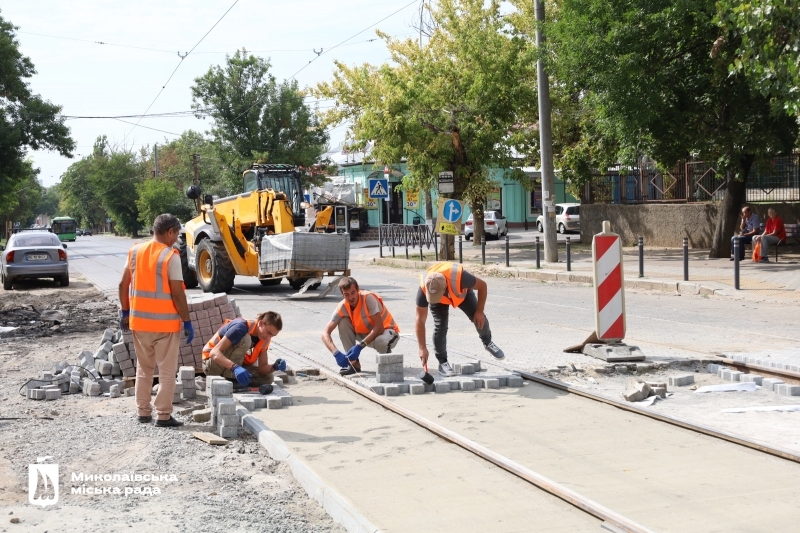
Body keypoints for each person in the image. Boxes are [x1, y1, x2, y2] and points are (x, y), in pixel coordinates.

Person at [118, 214, 192, 428]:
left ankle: (142, 412)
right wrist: (186, 321)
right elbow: (178, 294)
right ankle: (163, 415)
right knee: (167, 372)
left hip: (139, 323)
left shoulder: (135, 251)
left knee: (144, 368)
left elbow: (123, 285)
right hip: (165, 325)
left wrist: (125, 312)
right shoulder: (171, 256)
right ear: (169, 232)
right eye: (177, 233)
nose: (177, 238)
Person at [415, 261, 504, 377]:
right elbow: (419, 320)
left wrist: (480, 311)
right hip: (439, 295)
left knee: (479, 318)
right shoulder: (425, 288)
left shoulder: (461, 278)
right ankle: (443, 363)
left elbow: (483, 286)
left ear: (444, 288)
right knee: (440, 326)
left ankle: (488, 342)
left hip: (462, 294)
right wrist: (422, 348)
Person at [322, 276, 400, 375]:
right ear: (342, 294)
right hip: (367, 335)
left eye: (353, 293)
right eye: (346, 294)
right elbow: (325, 334)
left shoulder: (368, 298)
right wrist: (335, 353)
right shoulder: (342, 307)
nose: (351, 298)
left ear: (358, 289)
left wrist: (360, 346)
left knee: (382, 341)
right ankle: (354, 364)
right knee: (343, 322)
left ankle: (387, 360)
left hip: (387, 333)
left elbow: (379, 328)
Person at [202, 312, 285, 387]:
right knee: (246, 339)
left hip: (232, 366)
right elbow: (214, 353)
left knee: (268, 378)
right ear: (261, 323)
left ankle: (234, 382)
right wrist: (235, 368)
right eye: (268, 332)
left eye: (272, 335)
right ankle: (231, 380)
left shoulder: (265, 339)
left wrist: (274, 367)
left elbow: (262, 368)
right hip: (212, 366)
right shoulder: (240, 327)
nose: (268, 337)